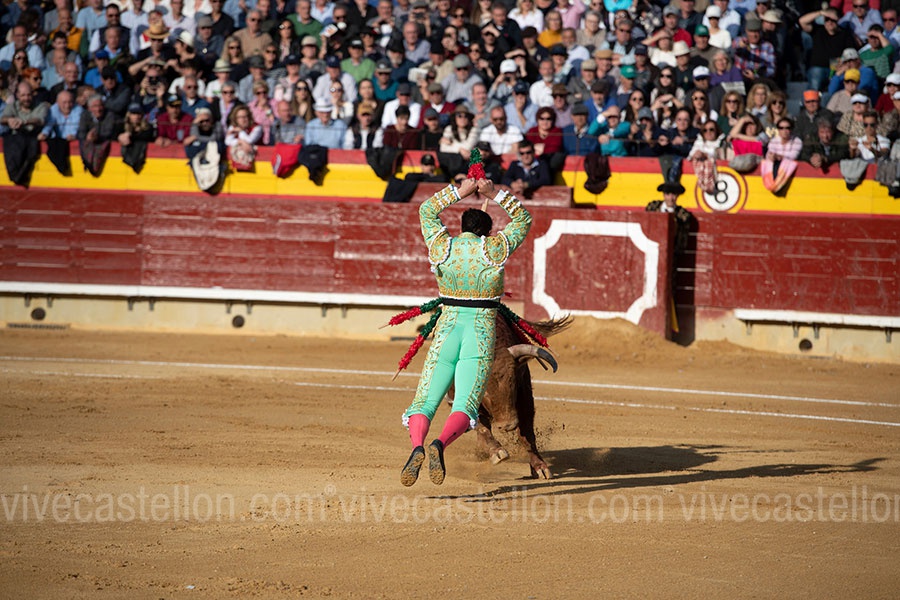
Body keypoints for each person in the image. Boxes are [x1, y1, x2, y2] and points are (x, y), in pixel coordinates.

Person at [400, 177, 532, 487]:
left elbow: (426, 210)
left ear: (461, 229)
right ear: (488, 232)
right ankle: (439, 444)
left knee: (424, 402)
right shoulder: (494, 248)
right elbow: (523, 218)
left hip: (447, 329)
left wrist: (460, 191)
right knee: (465, 404)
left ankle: (418, 446)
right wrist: (493, 192)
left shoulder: (442, 246)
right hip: (480, 331)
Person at [645, 181, 693, 255]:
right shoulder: (652, 207)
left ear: (677, 196)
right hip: (651, 248)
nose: (671, 198)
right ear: (664, 195)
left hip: (671, 251)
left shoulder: (682, 215)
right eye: (668, 194)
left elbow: (682, 239)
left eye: (674, 195)